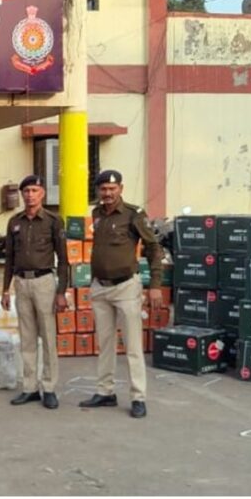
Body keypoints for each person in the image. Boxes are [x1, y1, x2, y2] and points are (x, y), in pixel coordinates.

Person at [80, 169, 164, 419]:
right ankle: (105, 392)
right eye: (103, 189)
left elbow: (153, 248)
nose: (107, 193)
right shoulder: (96, 214)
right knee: (105, 343)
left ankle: (138, 396)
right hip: (100, 287)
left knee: (132, 345)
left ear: (121, 189)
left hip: (126, 286)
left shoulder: (133, 214)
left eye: (112, 189)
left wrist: (155, 285)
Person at [1, 175, 69, 409]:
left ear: (42, 194)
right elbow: (10, 258)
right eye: (26, 191)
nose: (30, 195)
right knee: (27, 337)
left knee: (48, 337)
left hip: (44, 282)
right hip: (21, 282)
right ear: (22, 194)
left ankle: (49, 387)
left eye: (34, 191)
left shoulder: (53, 221)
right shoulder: (14, 222)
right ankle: (29, 387)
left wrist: (61, 292)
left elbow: (63, 260)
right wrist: (5, 289)